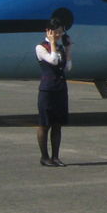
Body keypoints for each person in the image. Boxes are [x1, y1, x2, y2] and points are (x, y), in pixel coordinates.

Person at [35, 18, 72, 167]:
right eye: (56, 32)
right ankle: (44, 157)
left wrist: (69, 49)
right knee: (45, 124)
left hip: (60, 89)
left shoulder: (60, 48)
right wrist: (52, 43)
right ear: (48, 31)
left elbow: (67, 67)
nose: (58, 35)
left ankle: (55, 156)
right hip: (47, 90)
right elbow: (54, 61)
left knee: (58, 124)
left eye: (61, 32)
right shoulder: (40, 47)